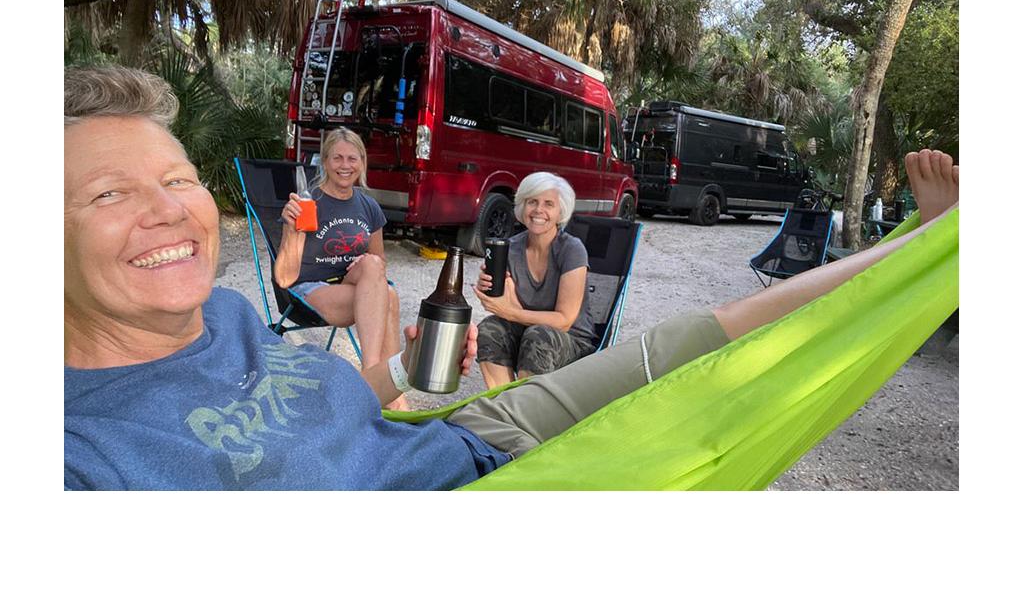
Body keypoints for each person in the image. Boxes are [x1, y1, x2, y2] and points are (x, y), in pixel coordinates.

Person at [64, 66, 958, 490]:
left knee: (695, 336)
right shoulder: (76, 456)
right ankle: (939, 254)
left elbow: (558, 317)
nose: (172, 208)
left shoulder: (224, 313)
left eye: (178, 179)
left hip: (460, 418)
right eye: (110, 192)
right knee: (706, 395)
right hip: (480, 485)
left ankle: (925, 248)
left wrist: (396, 378)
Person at [273, 127, 407, 411]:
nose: (345, 166)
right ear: (324, 162)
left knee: (372, 265)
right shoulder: (308, 203)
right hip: (312, 288)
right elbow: (284, 277)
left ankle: (374, 375)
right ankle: (387, 387)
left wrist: (364, 265)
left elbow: (379, 262)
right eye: (337, 158)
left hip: (355, 283)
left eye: (352, 159)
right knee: (390, 297)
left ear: (362, 162)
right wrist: (290, 228)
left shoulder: (369, 207)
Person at [472, 173, 595, 388]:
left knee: (538, 336)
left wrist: (509, 311)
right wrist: (490, 290)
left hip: (571, 340)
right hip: (527, 331)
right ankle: (503, 403)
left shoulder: (572, 249)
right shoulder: (509, 248)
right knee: (489, 328)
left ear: (560, 212)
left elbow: (564, 320)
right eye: (532, 202)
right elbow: (506, 307)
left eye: (549, 204)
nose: (539, 210)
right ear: (522, 207)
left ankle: (529, 411)